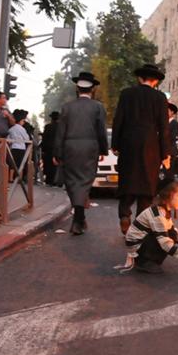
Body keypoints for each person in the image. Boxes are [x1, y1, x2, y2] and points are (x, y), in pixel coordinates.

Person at [111, 63, 172, 235]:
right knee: (147, 188)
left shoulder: (126, 94)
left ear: (139, 78)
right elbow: (164, 127)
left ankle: (124, 214)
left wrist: (115, 145)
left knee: (127, 183)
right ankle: (138, 226)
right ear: (156, 81)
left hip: (128, 144)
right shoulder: (160, 98)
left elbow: (118, 121)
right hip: (151, 146)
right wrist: (165, 153)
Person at [54, 72, 109, 235]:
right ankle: (78, 219)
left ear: (77, 88)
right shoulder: (98, 107)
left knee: (72, 182)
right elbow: (101, 131)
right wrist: (103, 149)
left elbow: (60, 132)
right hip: (89, 147)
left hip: (70, 147)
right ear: (93, 89)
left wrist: (57, 153)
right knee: (84, 182)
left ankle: (79, 217)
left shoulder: (67, 107)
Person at [120, 181, 178, 274]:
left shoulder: (164, 210)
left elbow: (173, 232)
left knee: (171, 233)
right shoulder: (157, 215)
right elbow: (165, 243)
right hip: (137, 248)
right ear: (168, 196)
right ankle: (143, 262)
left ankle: (149, 260)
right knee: (165, 238)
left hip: (141, 242)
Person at [8, 109, 31, 182]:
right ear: (21, 120)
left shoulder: (11, 129)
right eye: (23, 121)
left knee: (12, 164)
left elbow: (8, 139)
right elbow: (26, 138)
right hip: (21, 148)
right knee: (21, 164)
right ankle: (19, 178)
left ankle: (10, 178)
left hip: (13, 148)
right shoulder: (22, 129)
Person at [42, 111, 59, 186]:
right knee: (56, 165)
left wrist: (43, 149)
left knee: (48, 164)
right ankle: (57, 180)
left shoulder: (47, 126)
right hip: (58, 148)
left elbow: (44, 138)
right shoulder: (61, 127)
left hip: (48, 148)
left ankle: (49, 180)